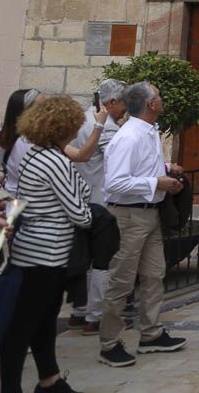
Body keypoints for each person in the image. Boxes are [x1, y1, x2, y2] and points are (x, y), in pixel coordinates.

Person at [0, 95, 93, 393]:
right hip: (47, 253)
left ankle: (50, 379)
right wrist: (86, 202)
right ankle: (13, 387)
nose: (77, 130)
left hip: (32, 250)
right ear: (64, 127)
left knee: (40, 321)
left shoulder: (34, 154)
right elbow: (81, 213)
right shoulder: (55, 161)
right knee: (25, 326)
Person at [98, 81, 187, 367]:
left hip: (150, 212)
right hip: (128, 215)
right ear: (150, 104)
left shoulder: (148, 133)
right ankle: (109, 342)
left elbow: (140, 169)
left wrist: (164, 172)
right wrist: (156, 182)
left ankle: (150, 333)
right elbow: (114, 182)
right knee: (122, 279)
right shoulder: (130, 136)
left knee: (154, 274)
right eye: (159, 96)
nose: (162, 100)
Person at [67, 78, 126, 333]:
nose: (125, 108)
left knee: (82, 257)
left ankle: (79, 311)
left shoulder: (81, 119)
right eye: (123, 103)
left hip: (78, 199)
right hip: (99, 202)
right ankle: (95, 315)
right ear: (111, 102)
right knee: (101, 260)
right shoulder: (106, 129)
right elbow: (118, 162)